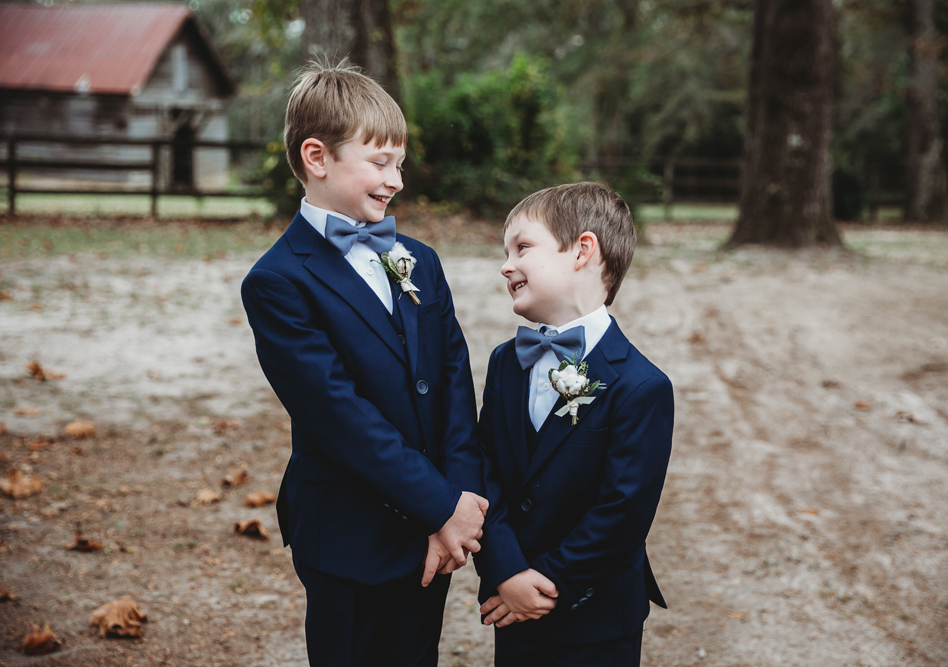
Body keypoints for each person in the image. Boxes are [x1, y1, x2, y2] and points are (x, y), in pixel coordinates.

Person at [241, 62, 486, 667]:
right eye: (380, 162)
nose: (395, 180)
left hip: (434, 532)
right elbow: (336, 414)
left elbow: (453, 377)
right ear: (318, 158)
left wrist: (462, 501)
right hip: (349, 535)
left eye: (399, 163)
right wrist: (440, 504)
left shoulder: (419, 261)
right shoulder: (278, 281)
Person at [475, 182, 674, 666]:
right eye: (506, 252)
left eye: (522, 247)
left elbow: (622, 512)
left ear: (583, 250)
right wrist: (506, 570)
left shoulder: (641, 386)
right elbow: (485, 470)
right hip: (512, 600)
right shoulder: (506, 363)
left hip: (595, 618)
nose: (506, 264)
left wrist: (545, 584)